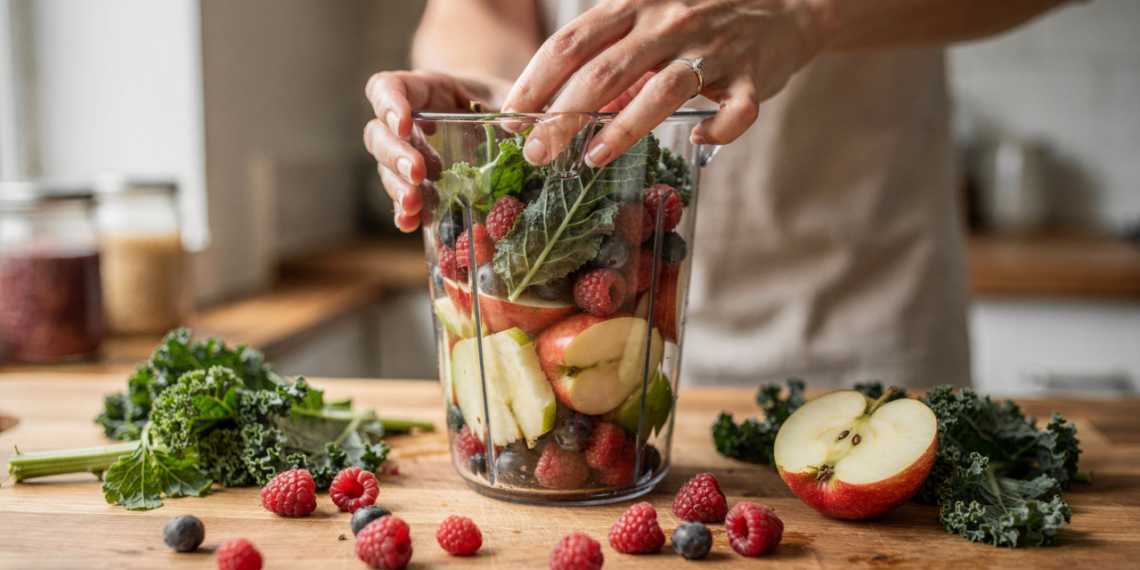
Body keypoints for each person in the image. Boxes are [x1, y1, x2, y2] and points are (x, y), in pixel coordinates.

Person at [364, 0, 1074, 389]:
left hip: (861, 313)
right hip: (576, 325)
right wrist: (498, 109)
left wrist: (804, 15)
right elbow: (477, 10)